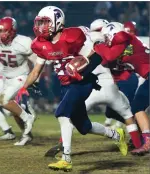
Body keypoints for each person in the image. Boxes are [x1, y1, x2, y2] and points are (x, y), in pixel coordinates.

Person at [19, 7, 137, 171]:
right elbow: (35, 71)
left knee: (62, 114)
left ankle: (66, 158)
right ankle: (117, 135)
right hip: (65, 85)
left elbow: (98, 52)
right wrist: (22, 88)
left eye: (45, 22)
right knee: (84, 127)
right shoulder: (41, 44)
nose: (40, 27)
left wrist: (84, 62)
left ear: (57, 22)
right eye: (39, 22)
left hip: (82, 82)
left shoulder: (74, 36)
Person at [94, 21, 150, 155]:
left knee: (136, 107)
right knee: (136, 107)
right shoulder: (126, 41)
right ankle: (146, 139)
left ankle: (146, 142)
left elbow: (108, 55)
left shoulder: (123, 37)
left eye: (106, 37)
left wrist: (97, 45)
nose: (106, 41)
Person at [0, 17, 39, 146]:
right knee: (14, 111)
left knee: (2, 100)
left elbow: (36, 60)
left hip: (21, 76)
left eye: (5, 31)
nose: (1, 34)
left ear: (12, 31)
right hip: (7, 79)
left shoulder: (23, 42)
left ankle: (27, 117)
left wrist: (35, 79)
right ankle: (26, 134)